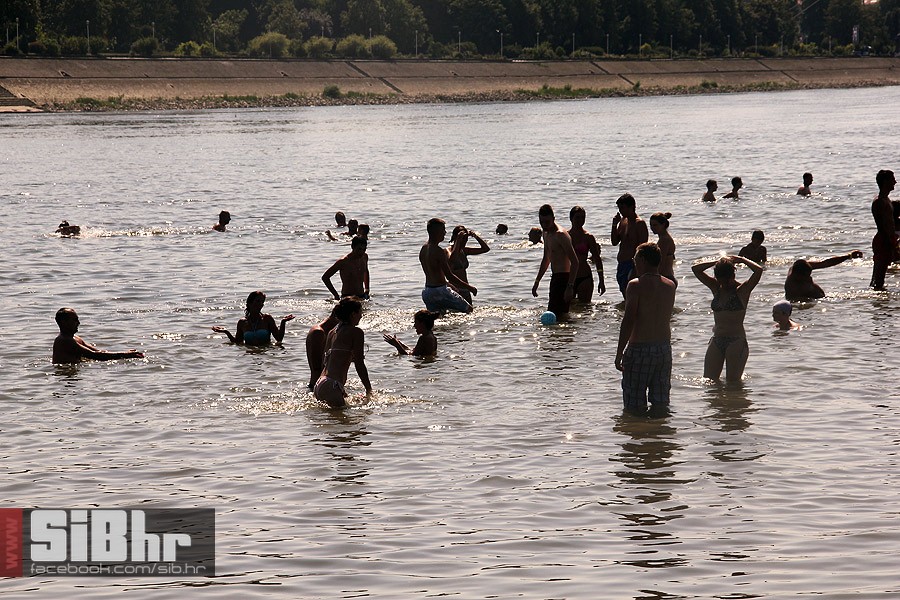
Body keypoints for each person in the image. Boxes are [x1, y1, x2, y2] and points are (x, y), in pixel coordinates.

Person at [615, 242, 677, 415]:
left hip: (640, 350)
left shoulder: (635, 285)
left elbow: (629, 320)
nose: (634, 261)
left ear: (642, 259)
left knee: (633, 405)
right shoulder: (670, 285)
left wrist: (619, 353)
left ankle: (639, 438)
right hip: (663, 349)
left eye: (635, 258)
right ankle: (659, 438)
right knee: (660, 403)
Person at [692, 255, 764, 383]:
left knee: (733, 383)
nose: (723, 284)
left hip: (736, 341)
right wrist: (717, 262)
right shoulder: (716, 288)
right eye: (720, 280)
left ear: (733, 276)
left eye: (726, 280)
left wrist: (742, 259)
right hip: (717, 339)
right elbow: (695, 269)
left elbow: (758, 270)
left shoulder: (742, 290)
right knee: (709, 382)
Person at [314, 297, 372, 408]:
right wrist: (369, 389)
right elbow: (359, 364)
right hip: (332, 384)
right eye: (360, 312)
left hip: (320, 383)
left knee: (334, 422)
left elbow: (324, 362)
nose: (361, 316)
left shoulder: (332, 332)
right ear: (353, 314)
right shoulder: (356, 332)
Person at [420, 218, 476, 313]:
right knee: (469, 310)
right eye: (443, 230)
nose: (445, 233)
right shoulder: (439, 251)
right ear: (436, 232)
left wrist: (449, 284)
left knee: (437, 317)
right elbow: (449, 275)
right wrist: (469, 287)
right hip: (441, 291)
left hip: (428, 291)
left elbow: (435, 274)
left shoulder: (423, 249)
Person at [532, 204, 579, 318]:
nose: (544, 225)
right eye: (541, 222)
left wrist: (570, 287)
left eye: (547, 222)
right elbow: (546, 259)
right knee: (554, 315)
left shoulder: (561, 235)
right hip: (555, 278)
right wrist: (537, 281)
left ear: (553, 219)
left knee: (560, 316)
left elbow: (575, 262)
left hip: (565, 279)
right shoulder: (546, 233)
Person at [52, 308, 144, 364]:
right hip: (64, 377)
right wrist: (125, 355)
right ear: (64, 322)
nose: (78, 323)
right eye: (75, 320)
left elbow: (99, 352)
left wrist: (124, 353)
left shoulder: (76, 338)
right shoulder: (64, 341)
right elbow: (95, 356)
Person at [211, 290, 294, 345]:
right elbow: (238, 342)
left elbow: (279, 339)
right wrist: (226, 332)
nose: (260, 304)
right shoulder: (242, 323)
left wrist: (283, 322)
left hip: (265, 355)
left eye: (262, 302)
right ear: (250, 303)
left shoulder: (267, 319)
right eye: (258, 301)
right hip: (249, 356)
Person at [610, 193, 649, 298]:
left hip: (632, 264)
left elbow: (643, 249)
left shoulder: (639, 223)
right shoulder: (623, 221)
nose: (620, 211)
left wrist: (636, 269)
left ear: (631, 207)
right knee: (624, 294)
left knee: (632, 295)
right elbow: (614, 242)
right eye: (619, 208)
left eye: (622, 208)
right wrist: (614, 225)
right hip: (621, 264)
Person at [784, 250, 863, 301]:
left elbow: (825, 263)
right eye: (806, 277)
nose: (809, 278)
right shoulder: (793, 287)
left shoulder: (801, 268)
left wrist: (849, 256)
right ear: (797, 276)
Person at [568, 206, 606, 302]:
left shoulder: (588, 237)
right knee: (568, 309)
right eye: (577, 217)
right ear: (571, 218)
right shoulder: (565, 236)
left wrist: (601, 280)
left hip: (585, 277)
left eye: (583, 217)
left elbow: (597, 259)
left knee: (585, 309)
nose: (580, 220)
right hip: (569, 278)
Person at [448, 225, 490, 305]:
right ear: (455, 238)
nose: (464, 242)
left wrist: (475, 236)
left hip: (466, 289)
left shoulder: (464, 251)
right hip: (455, 289)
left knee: (469, 314)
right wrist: (458, 240)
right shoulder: (447, 251)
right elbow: (452, 259)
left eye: (466, 239)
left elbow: (485, 249)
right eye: (462, 239)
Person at [871, 169, 897, 290]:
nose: (895, 182)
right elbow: (882, 226)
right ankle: (876, 301)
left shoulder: (887, 200)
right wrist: (889, 243)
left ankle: (881, 304)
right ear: (885, 182)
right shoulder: (880, 201)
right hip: (883, 240)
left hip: (888, 239)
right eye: (892, 179)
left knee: (881, 275)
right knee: (878, 278)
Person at [322, 235, 370, 300]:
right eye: (359, 249)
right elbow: (325, 277)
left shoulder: (364, 257)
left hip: (362, 295)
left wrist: (367, 289)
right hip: (348, 297)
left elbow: (365, 272)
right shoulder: (344, 261)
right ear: (352, 247)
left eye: (364, 249)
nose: (361, 252)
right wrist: (336, 295)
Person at [306, 306, 339, 389]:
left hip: (328, 384)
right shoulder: (318, 332)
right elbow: (317, 366)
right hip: (318, 385)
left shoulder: (331, 332)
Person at [649, 212, 676, 286]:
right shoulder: (664, 238)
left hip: (665, 278)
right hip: (667, 277)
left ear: (663, 224)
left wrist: (654, 279)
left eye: (655, 225)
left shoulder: (664, 240)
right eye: (651, 225)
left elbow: (661, 262)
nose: (652, 227)